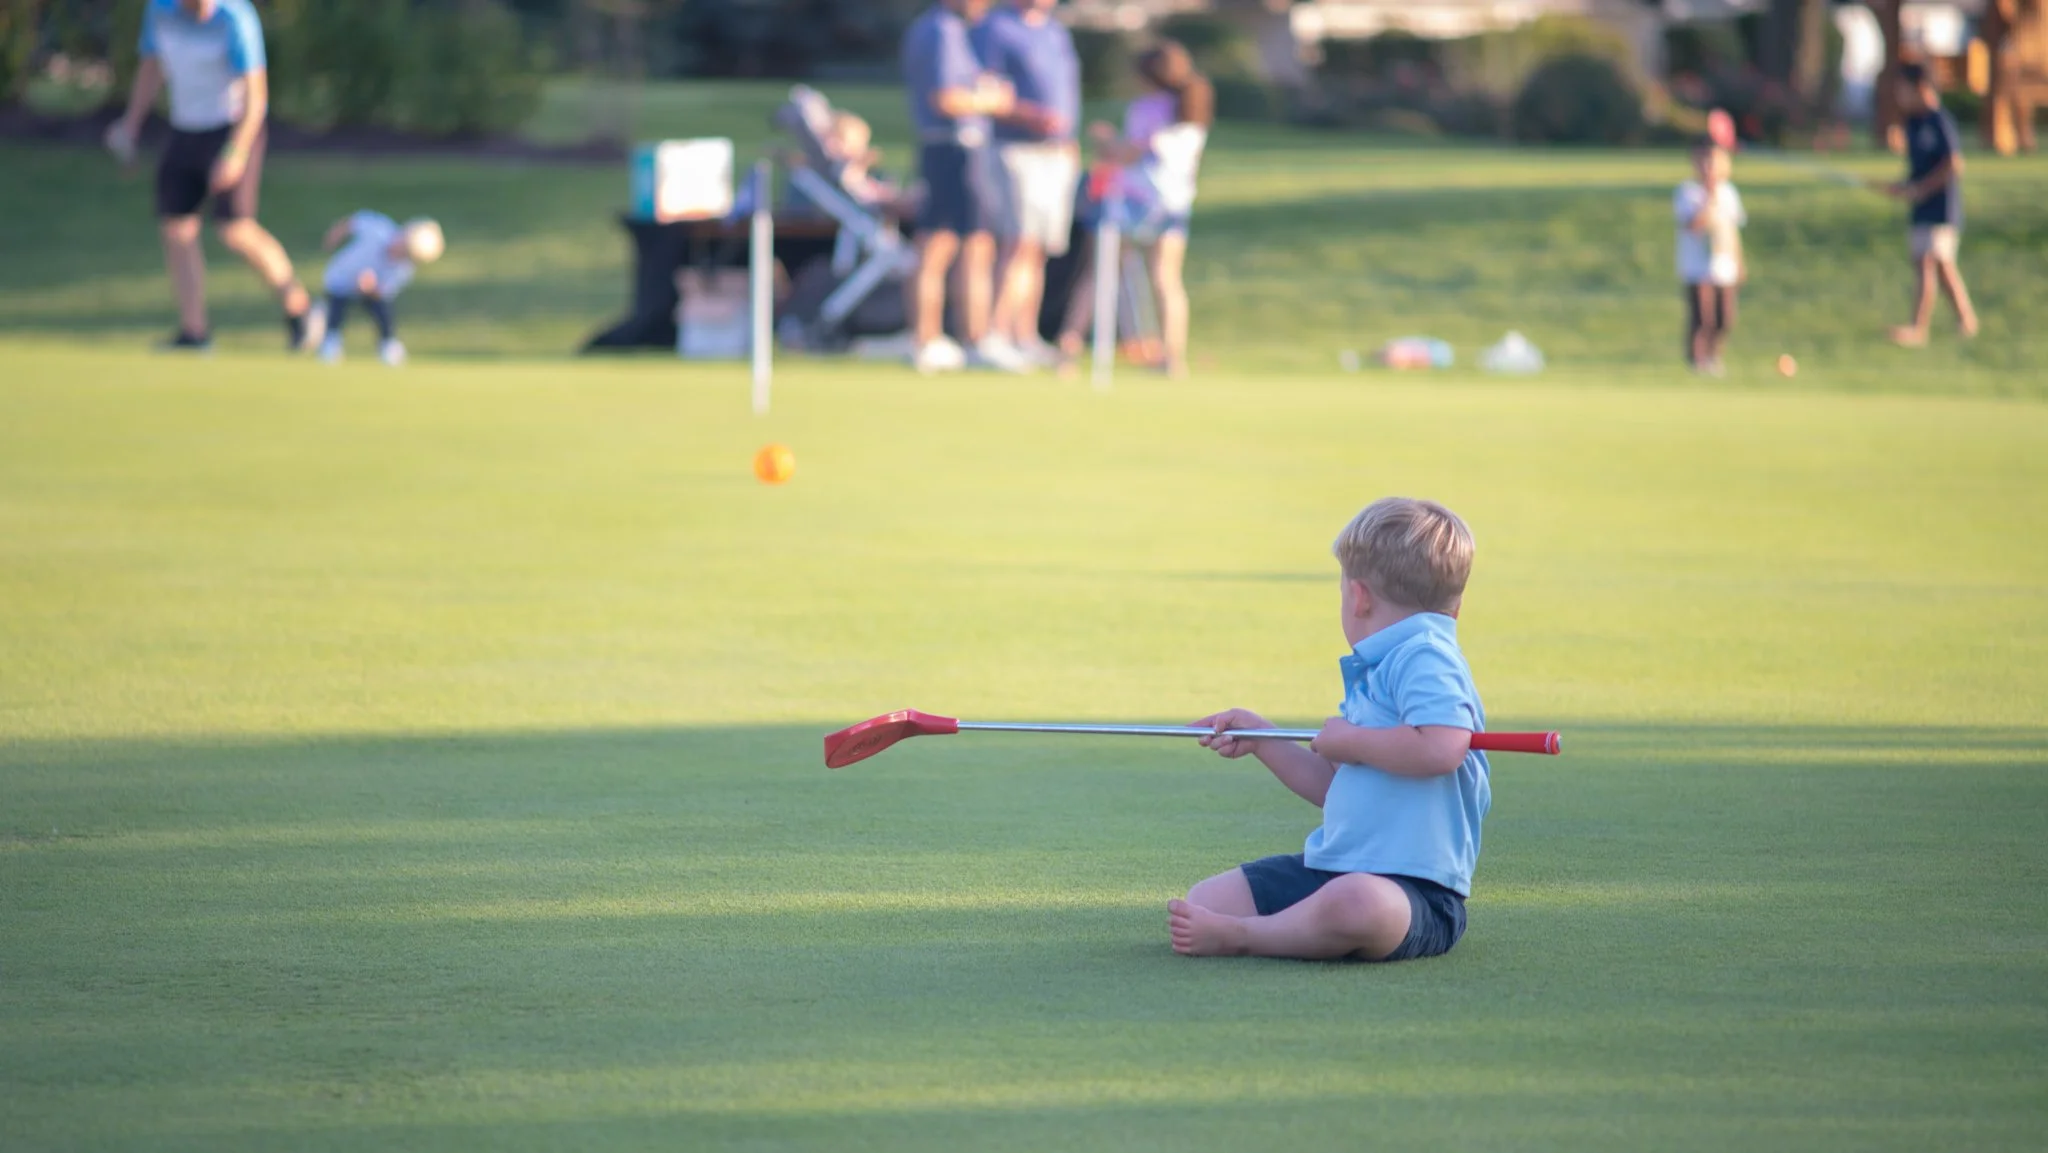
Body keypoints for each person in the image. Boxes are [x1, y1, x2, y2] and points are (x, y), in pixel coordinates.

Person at [1168, 497, 1487, 963]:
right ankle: (1273, 928)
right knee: (1205, 900)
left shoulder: (1425, 654)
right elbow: (1333, 786)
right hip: (1335, 868)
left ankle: (1247, 936)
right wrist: (1261, 738)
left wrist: (1352, 741)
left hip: (1415, 893)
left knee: (1357, 904)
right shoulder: (1377, 669)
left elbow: (1443, 746)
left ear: (1358, 597)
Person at [105, 0, 319, 353]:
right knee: (177, 227)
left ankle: (300, 309)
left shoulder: (236, 17)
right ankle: (194, 332)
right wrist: (131, 123)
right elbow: (151, 66)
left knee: (234, 228)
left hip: (233, 128)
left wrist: (235, 153)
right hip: (184, 129)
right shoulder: (160, 11)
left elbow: (256, 97)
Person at [1057, 41, 1212, 378]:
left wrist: (1104, 142)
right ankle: (1174, 358)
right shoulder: (1192, 111)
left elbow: (1132, 153)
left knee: (1099, 275)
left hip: (1135, 202)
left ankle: (1066, 350)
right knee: (1166, 281)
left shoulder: (1151, 108)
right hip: (1174, 203)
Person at [900, 0, 1029, 374]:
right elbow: (946, 99)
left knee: (966, 243)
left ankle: (961, 337)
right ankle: (947, 338)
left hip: (958, 148)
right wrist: (992, 100)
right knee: (953, 244)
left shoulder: (949, 30)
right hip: (954, 147)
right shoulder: (941, 30)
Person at [973, 0, 1081, 367]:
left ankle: (1025, 335)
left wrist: (1069, 140)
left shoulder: (1054, 31)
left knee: (1038, 248)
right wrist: (1030, 115)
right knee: (1016, 242)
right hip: (1016, 149)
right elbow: (985, 91)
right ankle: (996, 335)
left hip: (1057, 153)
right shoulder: (996, 27)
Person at [1882, 62, 1977, 347]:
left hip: (1941, 207)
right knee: (1942, 267)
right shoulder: (1913, 123)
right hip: (1921, 209)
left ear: (1920, 88)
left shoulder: (1939, 120)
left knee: (1929, 262)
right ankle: (1967, 319)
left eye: (1903, 90)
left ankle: (1918, 328)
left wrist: (1922, 189)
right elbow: (1917, 169)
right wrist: (1903, 186)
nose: (1900, 96)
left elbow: (1954, 165)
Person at [310, 212, 444, 367]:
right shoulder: (380, 230)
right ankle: (330, 342)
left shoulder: (404, 269)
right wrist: (334, 236)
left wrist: (370, 288)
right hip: (341, 277)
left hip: (368, 292)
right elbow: (352, 223)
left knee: (382, 309)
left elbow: (384, 292)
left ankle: (388, 344)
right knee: (337, 305)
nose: (402, 254)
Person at [1674, 141, 1745, 375]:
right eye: (1703, 162)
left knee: (1724, 318)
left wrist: (1739, 262)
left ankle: (1714, 358)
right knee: (1702, 317)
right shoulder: (1688, 192)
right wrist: (1708, 198)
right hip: (1696, 267)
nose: (1708, 167)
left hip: (1724, 265)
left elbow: (1732, 230)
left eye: (1713, 162)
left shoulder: (1729, 193)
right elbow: (1693, 225)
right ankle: (1697, 361)